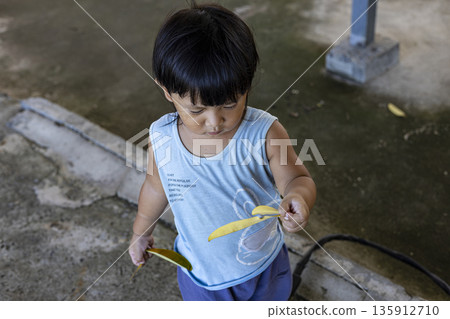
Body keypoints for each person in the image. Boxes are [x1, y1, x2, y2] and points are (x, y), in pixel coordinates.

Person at [129, 2, 316, 301]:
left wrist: (297, 198)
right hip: (199, 273)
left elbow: (298, 178)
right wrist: (141, 232)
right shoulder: (162, 138)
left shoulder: (264, 133)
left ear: (247, 87)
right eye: (196, 109)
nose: (214, 122)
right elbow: (154, 187)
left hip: (261, 268)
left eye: (229, 104)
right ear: (166, 91)